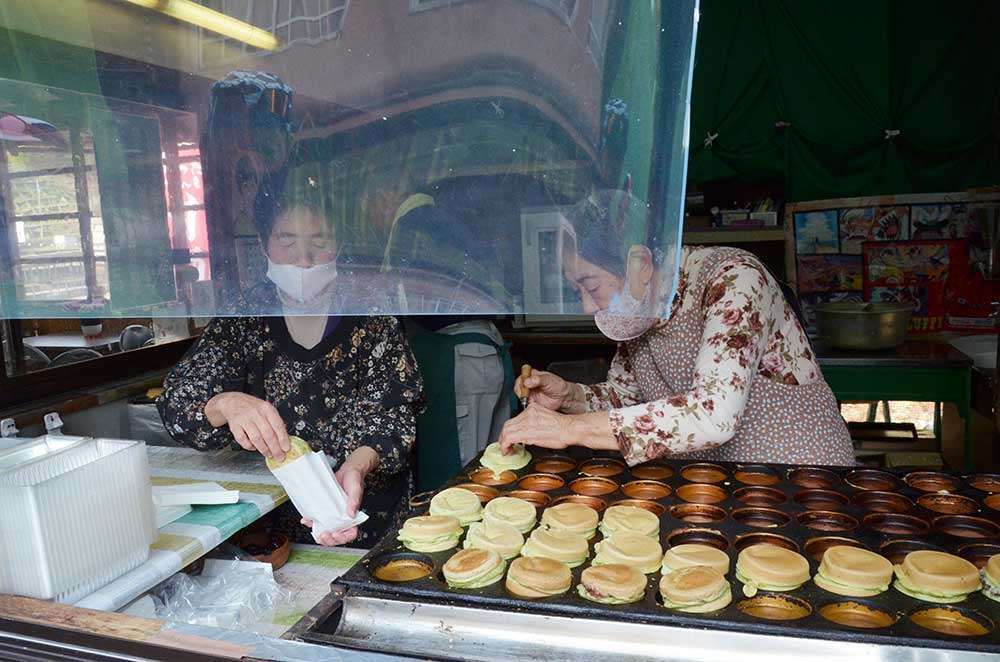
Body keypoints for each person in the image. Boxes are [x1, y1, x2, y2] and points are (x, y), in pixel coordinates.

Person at [157, 178, 423, 547]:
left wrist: (357, 467)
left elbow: (394, 418)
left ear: (338, 247)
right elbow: (177, 404)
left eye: (319, 242)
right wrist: (227, 404)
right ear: (264, 244)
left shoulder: (371, 316)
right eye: (287, 241)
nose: (303, 258)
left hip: (362, 511)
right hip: (268, 528)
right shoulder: (244, 316)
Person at [499, 190, 854, 466]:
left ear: (640, 263)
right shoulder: (640, 306)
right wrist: (571, 398)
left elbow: (713, 414)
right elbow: (627, 400)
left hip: (797, 473)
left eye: (590, 286)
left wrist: (569, 430)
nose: (587, 306)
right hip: (718, 480)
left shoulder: (733, 280)